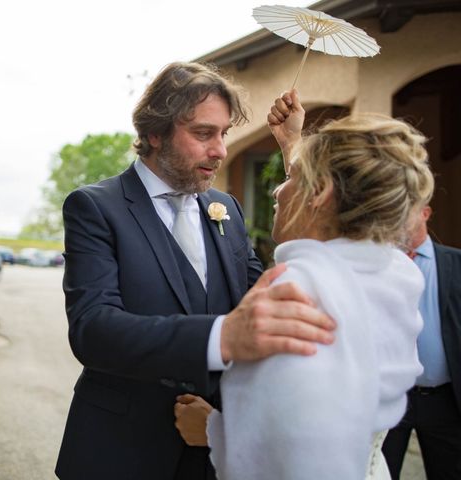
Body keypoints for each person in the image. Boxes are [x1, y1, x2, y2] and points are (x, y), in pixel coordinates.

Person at [55, 62, 336, 480]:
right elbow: (93, 330)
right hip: (119, 450)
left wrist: (292, 145)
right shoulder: (96, 207)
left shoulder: (227, 210)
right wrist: (223, 337)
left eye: (223, 134)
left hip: (212, 451)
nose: (220, 150)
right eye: (203, 133)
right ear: (155, 132)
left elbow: (261, 298)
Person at [174, 91, 435, 480]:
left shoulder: (297, 292)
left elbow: (293, 454)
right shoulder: (395, 273)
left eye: (293, 177)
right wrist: (292, 144)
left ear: (322, 192)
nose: (278, 190)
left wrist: (214, 431)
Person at [382, 206, 461, 479]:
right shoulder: (382, 266)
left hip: (443, 399)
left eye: (408, 210)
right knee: (381, 470)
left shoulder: (455, 263)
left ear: (426, 213)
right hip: (394, 395)